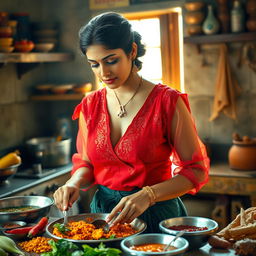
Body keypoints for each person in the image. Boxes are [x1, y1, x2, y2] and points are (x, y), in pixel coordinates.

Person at [53, 11, 210, 233]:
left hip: (157, 215)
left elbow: (195, 170)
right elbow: (86, 163)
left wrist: (149, 195)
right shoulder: (90, 105)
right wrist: (73, 183)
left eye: (111, 61)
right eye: (94, 64)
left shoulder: (167, 101)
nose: (103, 72)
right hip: (104, 218)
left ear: (132, 51)